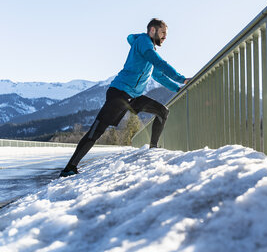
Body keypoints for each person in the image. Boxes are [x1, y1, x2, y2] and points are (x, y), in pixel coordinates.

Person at [60, 18, 190, 177]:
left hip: (133, 97)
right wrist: (182, 78)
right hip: (120, 93)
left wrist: (178, 88)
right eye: (163, 33)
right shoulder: (144, 42)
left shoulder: (150, 52)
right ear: (152, 31)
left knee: (163, 111)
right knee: (97, 130)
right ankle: (70, 167)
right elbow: (160, 63)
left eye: (166, 34)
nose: (165, 37)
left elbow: (159, 75)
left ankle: (153, 148)